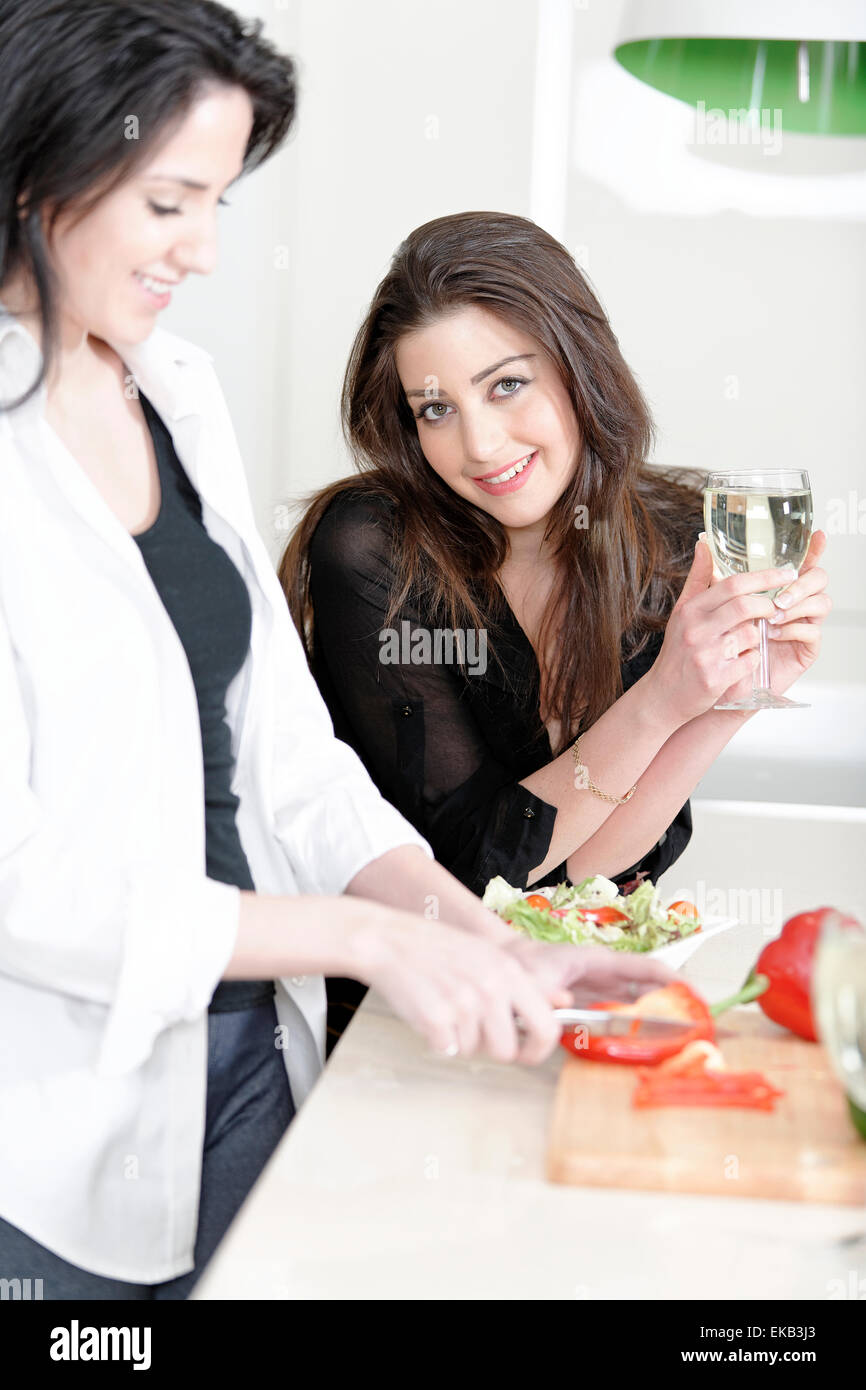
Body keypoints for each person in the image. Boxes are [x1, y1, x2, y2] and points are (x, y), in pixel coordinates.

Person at [0, 3, 672, 1301]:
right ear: (41, 165)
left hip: (251, 1073)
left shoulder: (176, 397)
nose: (201, 249)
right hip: (45, 1153)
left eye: (219, 204)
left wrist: (467, 935)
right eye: (169, 203)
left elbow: (289, 762)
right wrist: (360, 944)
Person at [281, 210, 831, 1039]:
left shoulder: (677, 539)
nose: (479, 442)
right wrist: (659, 705)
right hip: (391, 1017)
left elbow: (582, 879)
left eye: (507, 384)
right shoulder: (374, 547)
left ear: (579, 367)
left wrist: (729, 695)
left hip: (550, 1005)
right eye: (435, 409)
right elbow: (470, 875)